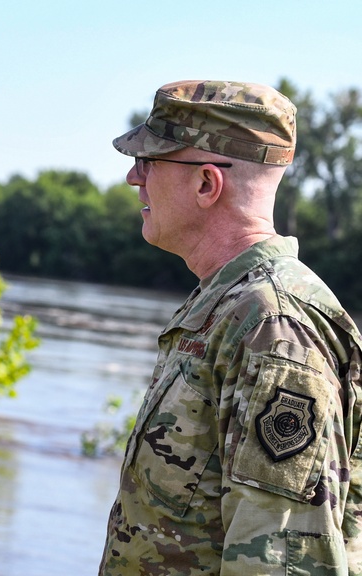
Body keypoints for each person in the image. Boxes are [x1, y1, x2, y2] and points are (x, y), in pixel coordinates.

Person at [99, 80, 362, 574]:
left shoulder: (274, 327)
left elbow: (281, 562)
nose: (135, 177)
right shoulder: (228, 305)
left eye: (150, 161)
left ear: (206, 184)